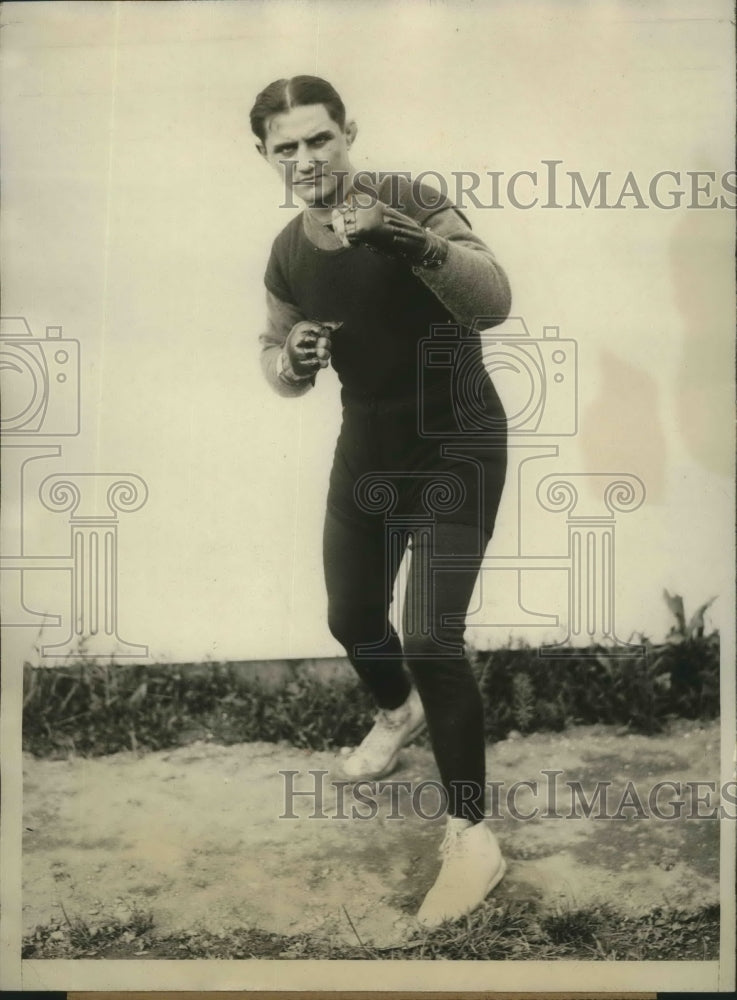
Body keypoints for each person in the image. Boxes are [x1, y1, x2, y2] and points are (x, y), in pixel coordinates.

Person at [251, 75, 511, 927]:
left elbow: (495, 298)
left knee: (431, 633)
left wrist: (404, 239)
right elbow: (273, 361)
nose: (304, 159)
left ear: (347, 133)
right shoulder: (287, 253)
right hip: (366, 448)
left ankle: (472, 837)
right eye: (285, 147)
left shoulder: (411, 200)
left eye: (318, 139)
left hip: (457, 440)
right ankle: (396, 715)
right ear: (264, 157)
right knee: (351, 616)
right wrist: (291, 356)